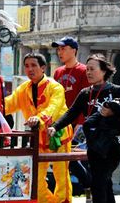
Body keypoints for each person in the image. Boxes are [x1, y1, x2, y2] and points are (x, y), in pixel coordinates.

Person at [49, 54, 120, 203]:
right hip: (93, 145)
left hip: (112, 146)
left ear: (104, 71)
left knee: (98, 183)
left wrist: (114, 111)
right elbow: (71, 113)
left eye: (92, 69)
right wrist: (55, 127)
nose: (89, 73)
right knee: (105, 183)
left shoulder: (117, 92)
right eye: (87, 70)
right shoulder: (85, 93)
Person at [5, 53, 73, 203]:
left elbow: (54, 108)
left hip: (58, 136)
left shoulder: (55, 87)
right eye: (27, 66)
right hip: (38, 139)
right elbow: (9, 104)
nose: (30, 69)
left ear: (43, 68)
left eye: (34, 65)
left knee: (61, 177)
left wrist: (39, 118)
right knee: (34, 178)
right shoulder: (23, 89)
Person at [51, 36, 91, 194]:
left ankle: (88, 184)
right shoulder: (57, 72)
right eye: (58, 49)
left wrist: (80, 123)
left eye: (63, 48)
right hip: (61, 122)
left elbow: (87, 99)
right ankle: (86, 184)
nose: (60, 52)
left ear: (73, 50)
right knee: (63, 158)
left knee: (73, 157)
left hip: (77, 122)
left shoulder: (83, 71)